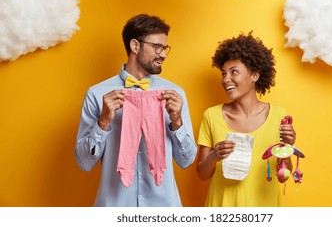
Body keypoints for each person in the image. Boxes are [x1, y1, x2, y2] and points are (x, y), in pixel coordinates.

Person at [75, 13, 197, 207]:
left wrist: (177, 123)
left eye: (165, 48)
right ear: (135, 46)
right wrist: (103, 122)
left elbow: (186, 161)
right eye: (157, 47)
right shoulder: (97, 94)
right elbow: (84, 163)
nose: (164, 54)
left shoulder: (174, 94)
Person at [196, 32, 297, 207]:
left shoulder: (279, 116)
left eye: (233, 72)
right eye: (223, 73)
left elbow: (284, 175)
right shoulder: (211, 116)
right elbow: (202, 174)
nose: (226, 79)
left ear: (254, 76)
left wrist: (288, 147)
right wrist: (214, 155)